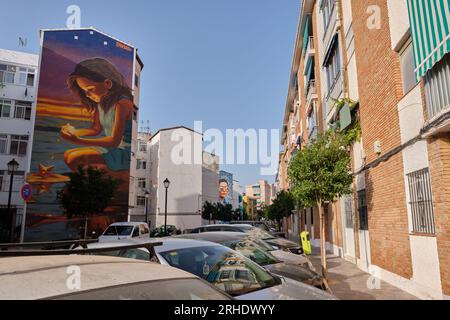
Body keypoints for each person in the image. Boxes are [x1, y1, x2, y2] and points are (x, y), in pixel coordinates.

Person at [60, 58, 133, 186]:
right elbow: (95, 129)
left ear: (108, 84)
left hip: (123, 152)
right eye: (84, 91)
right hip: (110, 148)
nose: (87, 95)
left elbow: (114, 140)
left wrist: (79, 140)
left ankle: (118, 176)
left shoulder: (123, 104)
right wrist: (74, 132)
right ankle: (105, 177)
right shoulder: (101, 103)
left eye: (90, 89)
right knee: (67, 155)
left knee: (73, 158)